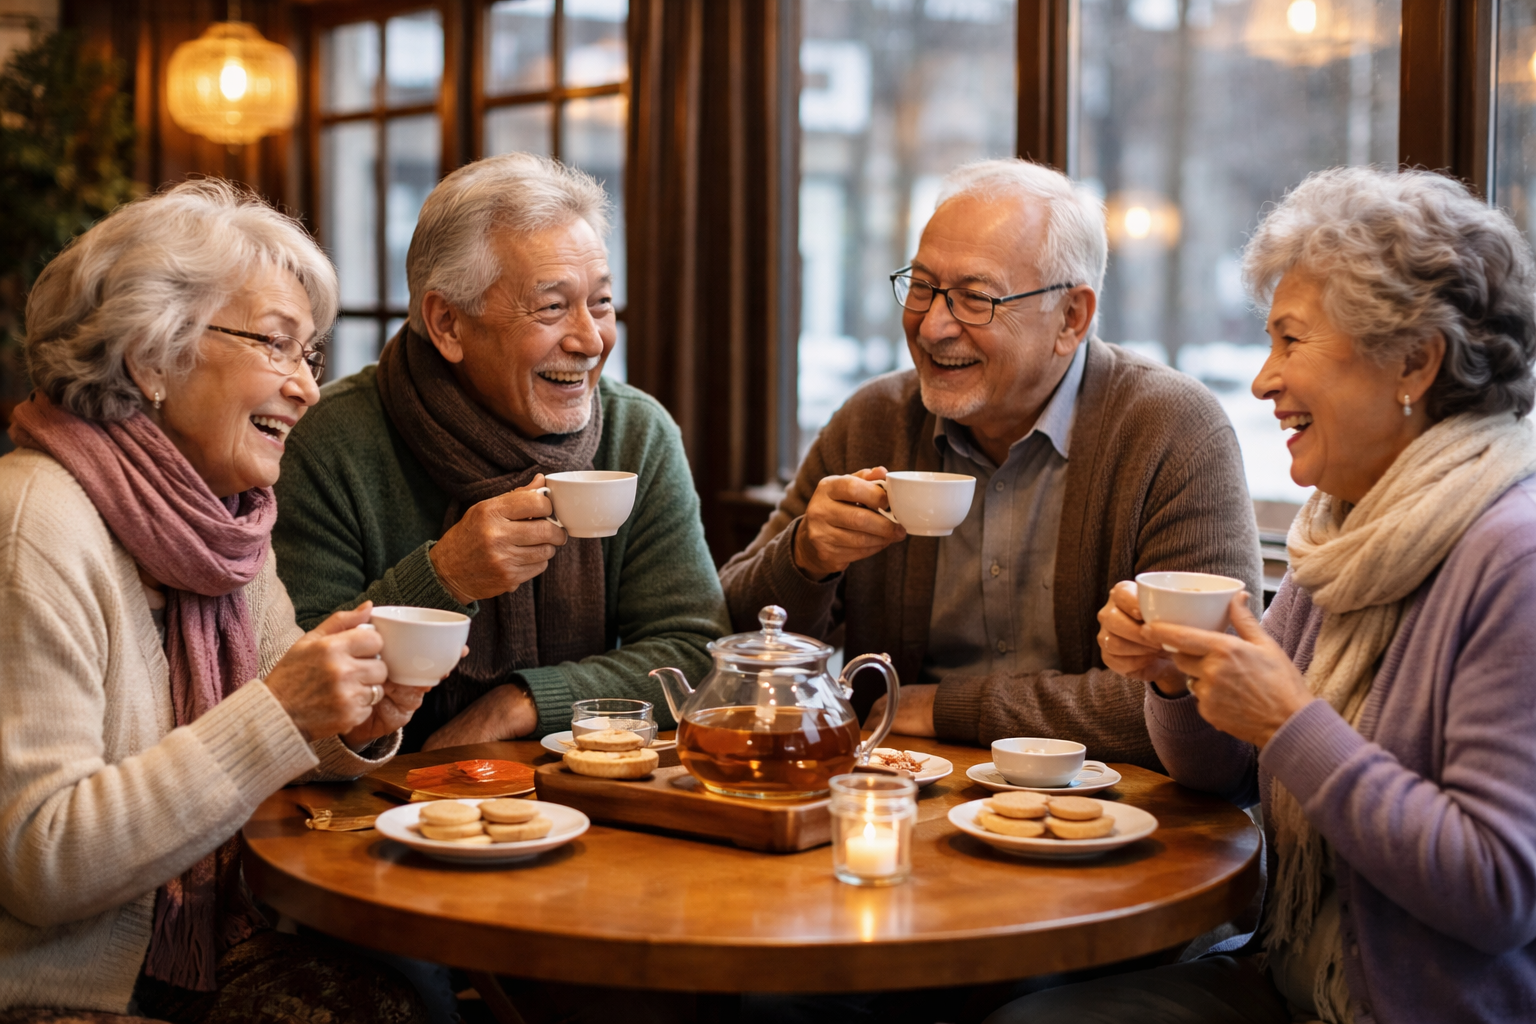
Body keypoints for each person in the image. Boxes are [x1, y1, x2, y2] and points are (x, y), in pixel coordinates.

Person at [992, 167, 1536, 1024]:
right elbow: (1224, 774)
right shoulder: (1347, 532)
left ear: (1415, 361)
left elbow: (1496, 893)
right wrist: (1176, 678)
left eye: (1290, 341)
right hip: (1286, 975)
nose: (1262, 381)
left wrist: (1289, 721)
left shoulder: (1512, 559)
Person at [0, 180, 432, 1022]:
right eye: (278, 347)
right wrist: (283, 711)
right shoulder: (34, 525)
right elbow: (43, 862)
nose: (308, 389)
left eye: (312, 356)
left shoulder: (221, 524)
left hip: (205, 949)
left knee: (407, 982)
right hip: (60, 993)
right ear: (153, 358)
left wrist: (356, 719)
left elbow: (280, 721)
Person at [720, 158, 1260, 765]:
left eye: (975, 298)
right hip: (906, 800)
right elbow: (725, 642)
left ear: (1071, 318)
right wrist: (807, 557)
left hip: (1118, 822)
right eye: (921, 287)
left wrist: (951, 708)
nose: (932, 325)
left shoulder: (1172, 430)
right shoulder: (875, 420)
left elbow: (1214, 707)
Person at [273, 153, 728, 752]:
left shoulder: (637, 433)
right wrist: (446, 577)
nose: (590, 340)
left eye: (600, 302)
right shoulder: (330, 442)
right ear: (448, 324)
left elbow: (694, 649)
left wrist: (519, 705)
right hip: (377, 805)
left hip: (590, 799)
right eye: (551, 306)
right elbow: (293, 682)